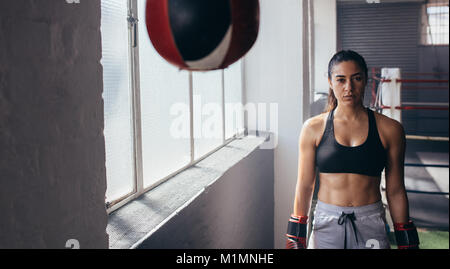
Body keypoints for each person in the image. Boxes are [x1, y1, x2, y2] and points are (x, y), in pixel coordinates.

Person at [285, 50, 420, 249]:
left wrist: (406, 240)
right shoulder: (313, 128)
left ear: (365, 80)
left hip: (371, 222)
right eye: (340, 80)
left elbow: (396, 190)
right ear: (330, 82)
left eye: (356, 78)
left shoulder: (390, 129)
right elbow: (305, 185)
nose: (349, 87)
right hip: (327, 224)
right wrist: (295, 237)